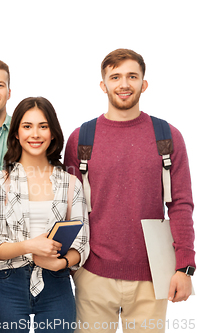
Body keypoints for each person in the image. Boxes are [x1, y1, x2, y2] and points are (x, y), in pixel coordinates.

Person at [64, 48, 195, 333]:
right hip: (92, 274)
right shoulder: (81, 139)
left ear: (143, 84)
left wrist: (185, 267)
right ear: (104, 85)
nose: (124, 84)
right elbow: (67, 207)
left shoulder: (168, 136)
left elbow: (181, 204)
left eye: (132, 76)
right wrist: (74, 267)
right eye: (116, 77)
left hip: (153, 275)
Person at [0, 97, 89, 332]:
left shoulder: (70, 183)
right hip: (9, 283)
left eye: (43, 126)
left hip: (57, 284)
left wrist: (60, 263)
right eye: (27, 126)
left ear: (52, 133)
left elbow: (81, 245)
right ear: (16, 134)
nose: (35, 134)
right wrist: (31, 246)